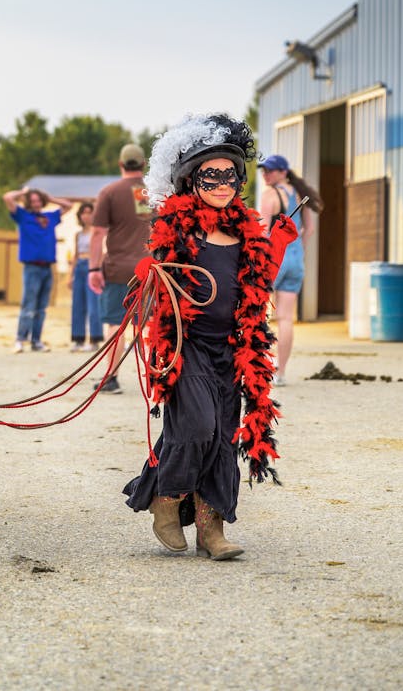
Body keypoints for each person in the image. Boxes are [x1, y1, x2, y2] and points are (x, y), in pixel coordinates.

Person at [122, 114, 297, 559]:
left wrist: (275, 247)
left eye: (230, 175)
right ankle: (166, 500)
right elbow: (156, 282)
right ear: (191, 181)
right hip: (188, 347)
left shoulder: (245, 232)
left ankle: (211, 530)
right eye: (211, 175)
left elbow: (256, 288)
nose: (222, 183)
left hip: (233, 350)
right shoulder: (178, 229)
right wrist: (150, 272)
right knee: (195, 426)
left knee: (222, 437)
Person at [88, 143, 152, 393]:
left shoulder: (109, 192)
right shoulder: (155, 192)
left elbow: (97, 233)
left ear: (121, 164)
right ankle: (155, 377)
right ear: (143, 165)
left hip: (117, 270)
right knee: (149, 323)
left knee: (116, 323)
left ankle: (111, 378)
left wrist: (94, 269)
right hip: (150, 270)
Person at [258, 155, 323, 385]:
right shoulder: (298, 195)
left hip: (275, 261)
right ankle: (281, 373)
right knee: (285, 318)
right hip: (295, 260)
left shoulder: (270, 195)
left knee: (258, 314)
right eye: (264, 171)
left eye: (271, 171)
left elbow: (263, 232)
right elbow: (309, 229)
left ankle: (258, 369)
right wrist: (299, 251)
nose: (266, 175)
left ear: (284, 172)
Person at [3, 185, 72, 353]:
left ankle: (36, 341)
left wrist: (51, 198)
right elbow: (7, 198)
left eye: (38, 200)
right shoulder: (22, 216)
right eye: (32, 201)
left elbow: (68, 206)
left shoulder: (50, 217)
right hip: (32, 267)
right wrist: (23, 192)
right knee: (28, 305)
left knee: (41, 307)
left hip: (48, 267)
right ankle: (20, 340)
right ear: (28, 202)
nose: (36, 203)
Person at [68, 201, 103, 351]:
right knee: (77, 304)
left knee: (93, 304)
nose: (86, 216)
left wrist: (99, 269)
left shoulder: (97, 232)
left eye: (89, 212)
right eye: (84, 212)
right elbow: (75, 255)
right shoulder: (78, 234)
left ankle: (95, 339)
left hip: (92, 266)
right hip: (80, 267)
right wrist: (70, 276)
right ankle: (78, 339)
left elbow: (101, 252)